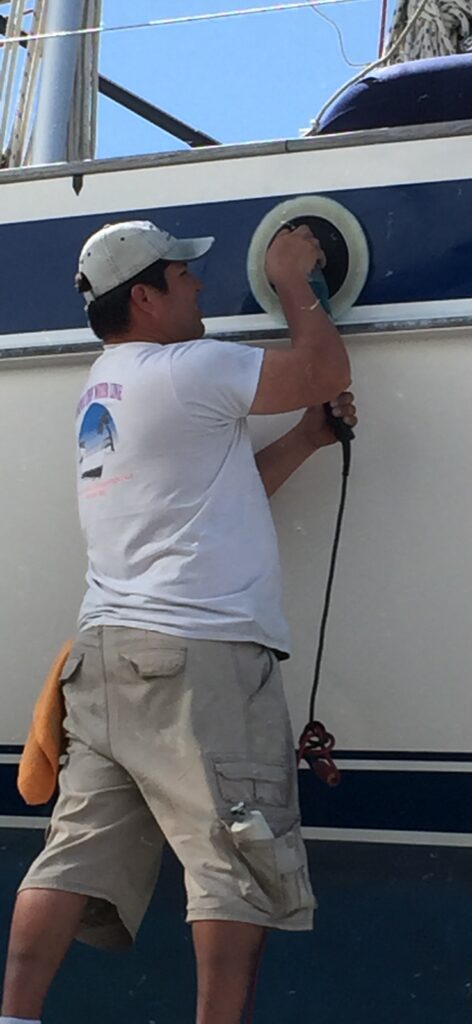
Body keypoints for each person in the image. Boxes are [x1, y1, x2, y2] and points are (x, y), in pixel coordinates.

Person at [0, 219, 356, 1024]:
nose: (199, 286)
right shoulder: (189, 368)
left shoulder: (104, 388)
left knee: (73, 856)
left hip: (106, 657)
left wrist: (306, 439)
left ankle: (15, 1018)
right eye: (182, 274)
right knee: (237, 860)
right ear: (145, 297)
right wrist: (291, 276)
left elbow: (211, 499)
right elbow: (324, 367)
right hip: (200, 657)